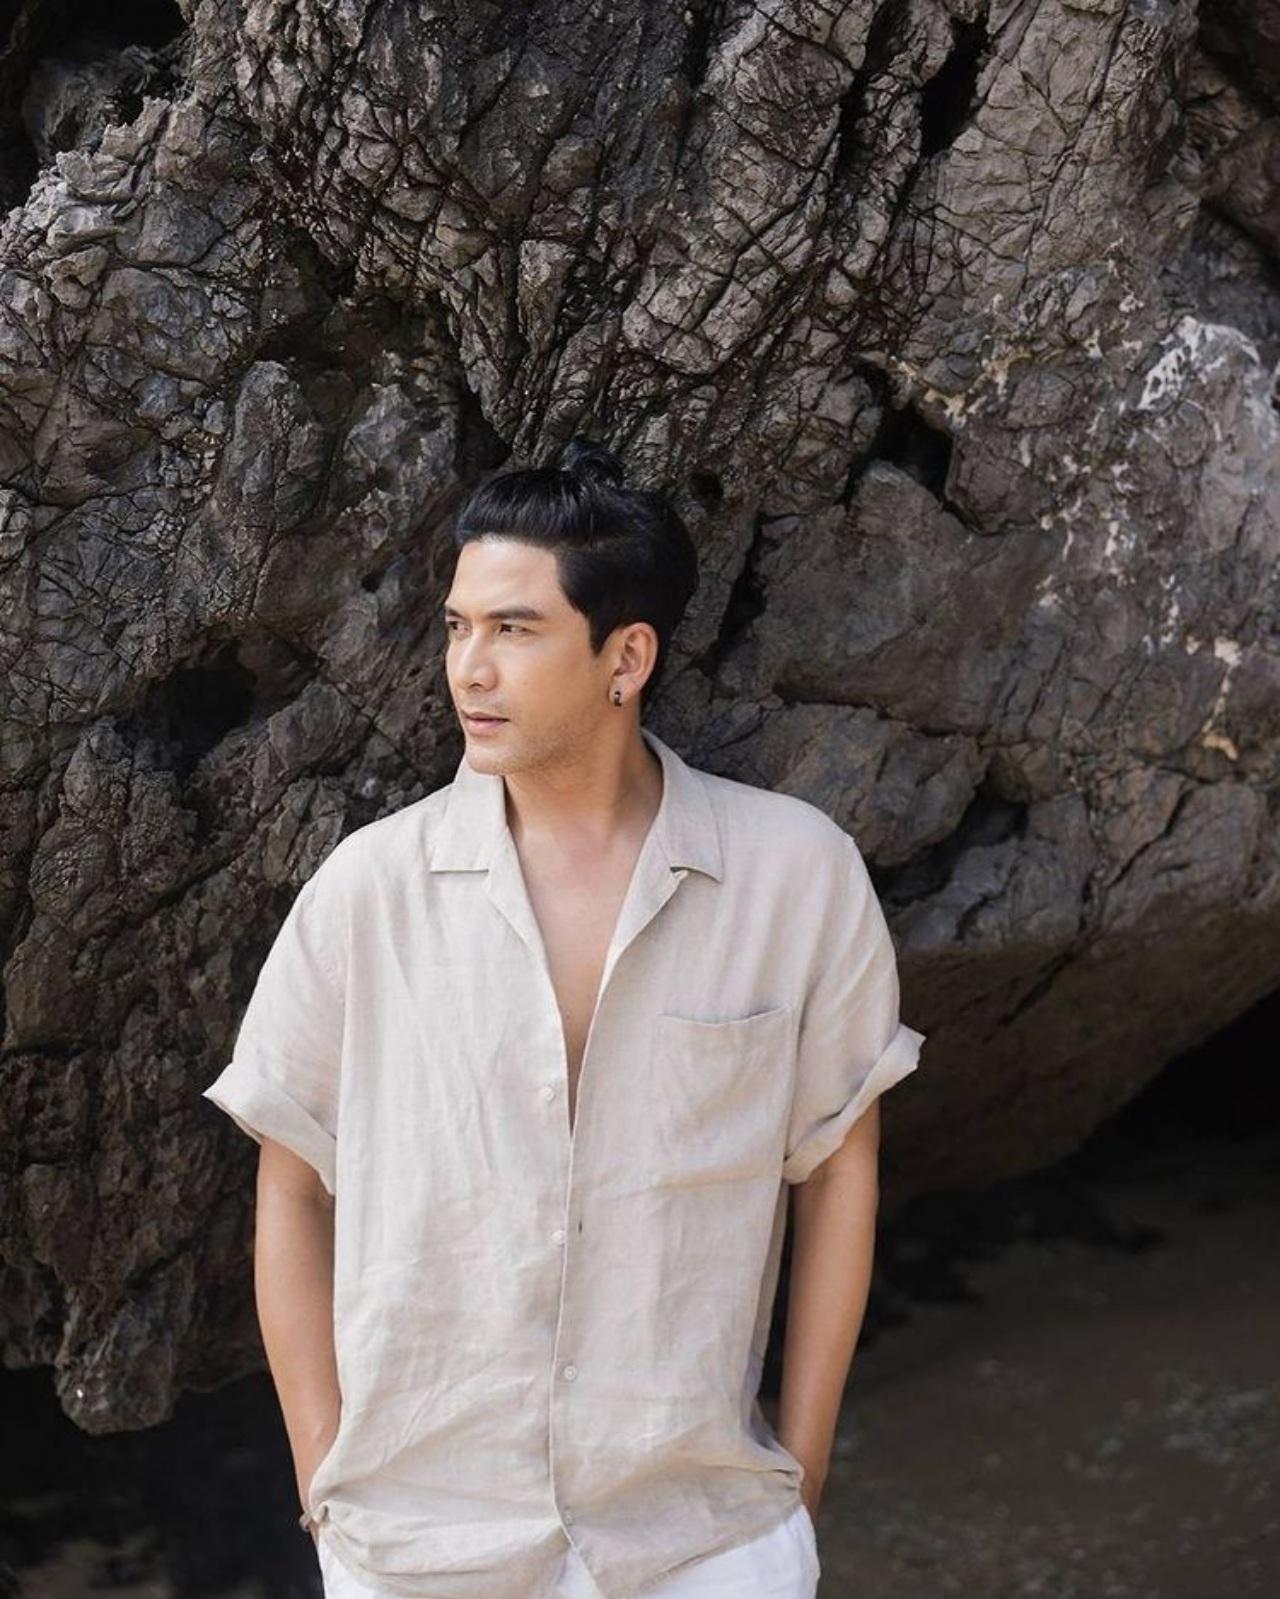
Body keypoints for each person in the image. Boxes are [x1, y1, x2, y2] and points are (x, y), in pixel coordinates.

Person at [201, 437, 926, 1599]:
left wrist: (796, 1485)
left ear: (624, 656)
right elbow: (289, 1184)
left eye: (515, 629)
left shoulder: (793, 874)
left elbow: (839, 1167)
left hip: (700, 1540)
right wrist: (323, 1486)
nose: (468, 669)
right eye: (456, 627)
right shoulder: (367, 891)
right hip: (418, 1549)